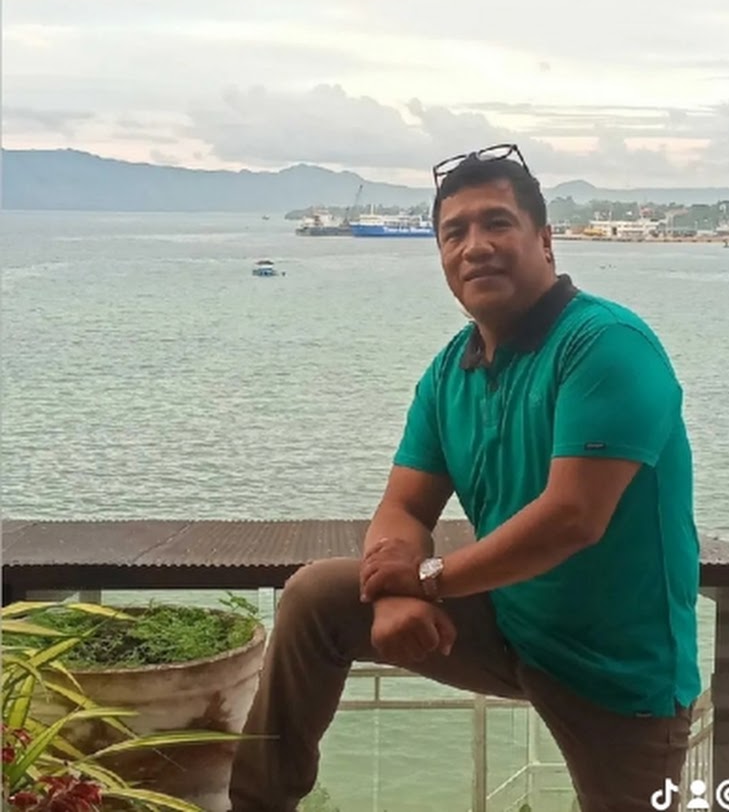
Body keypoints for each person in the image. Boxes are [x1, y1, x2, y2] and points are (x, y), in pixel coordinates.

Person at [228, 143, 701, 812]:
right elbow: (403, 506)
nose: (475, 246)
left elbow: (573, 517)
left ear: (544, 240)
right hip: (505, 623)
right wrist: (393, 591)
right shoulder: (452, 370)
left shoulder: (605, 345)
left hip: (617, 671)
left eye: (497, 223)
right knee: (317, 599)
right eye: (454, 233)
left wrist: (428, 581)